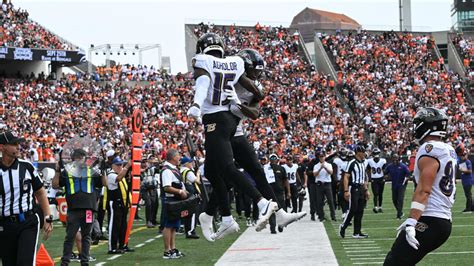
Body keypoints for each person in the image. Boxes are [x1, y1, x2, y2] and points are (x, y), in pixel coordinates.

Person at [188, 33, 276, 241]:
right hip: (229, 121)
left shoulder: (203, 61)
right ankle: (221, 217)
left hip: (215, 119)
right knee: (211, 169)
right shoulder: (234, 63)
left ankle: (262, 202)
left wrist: (196, 105)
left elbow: (202, 84)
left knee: (227, 167)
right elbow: (258, 92)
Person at [384, 107, 457, 265]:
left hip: (431, 218)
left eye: (417, 123)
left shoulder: (430, 149)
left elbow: (424, 189)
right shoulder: (448, 149)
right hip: (442, 219)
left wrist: (412, 221)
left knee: (393, 263)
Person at [0, 131, 53, 266]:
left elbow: (40, 192)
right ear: (2, 147)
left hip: (27, 222)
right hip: (4, 224)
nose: (18, 147)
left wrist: (48, 216)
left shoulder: (26, 166)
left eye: (18, 143)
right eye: (13, 144)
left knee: (25, 262)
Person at [52, 148, 106, 266]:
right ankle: (65, 262)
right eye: (78, 159)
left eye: (82, 159)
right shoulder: (67, 171)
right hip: (73, 209)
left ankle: (84, 261)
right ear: (73, 160)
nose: (81, 161)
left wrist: (103, 170)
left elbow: (105, 183)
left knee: (86, 236)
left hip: (88, 209)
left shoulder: (92, 171)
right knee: (70, 237)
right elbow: (55, 185)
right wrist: (57, 171)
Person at [160, 149, 187, 259]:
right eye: (177, 156)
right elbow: (166, 187)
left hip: (175, 200)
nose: (179, 157)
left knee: (174, 226)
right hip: (170, 200)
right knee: (168, 225)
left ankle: (172, 248)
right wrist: (180, 191)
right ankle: (167, 251)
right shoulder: (167, 170)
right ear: (172, 157)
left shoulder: (173, 169)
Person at [339, 145, 370, 239]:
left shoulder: (363, 163)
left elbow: (363, 178)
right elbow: (346, 177)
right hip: (354, 188)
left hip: (361, 188)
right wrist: (346, 190)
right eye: (363, 152)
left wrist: (366, 190)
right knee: (353, 209)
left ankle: (357, 232)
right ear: (358, 153)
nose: (364, 154)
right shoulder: (352, 163)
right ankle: (343, 226)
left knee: (360, 210)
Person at [106, 157, 134, 254]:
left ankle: (122, 245)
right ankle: (112, 247)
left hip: (123, 203)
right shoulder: (111, 175)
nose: (120, 167)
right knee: (114, 225)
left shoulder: (120, 173)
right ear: (113, 165)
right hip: (115, 203)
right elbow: (118, 179)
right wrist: (126, 167)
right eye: (118, 165)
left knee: (123, 226)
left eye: (121, 165)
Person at [264, 154, 291, 234]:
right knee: (271, 210)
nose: (273, 159)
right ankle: (272, 228)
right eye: (271, 158)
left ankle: (281, 225)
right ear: (269, 160)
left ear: (277, 159)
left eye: (274, 158)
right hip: (269, 192)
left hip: (279, 192)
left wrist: (288, 192)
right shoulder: (266, 168)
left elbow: (285, 180)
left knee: (280, 210)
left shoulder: (281, 168)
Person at [179, 156, 200, 239]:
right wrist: (197, 174)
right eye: (190, 162)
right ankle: (191, 231)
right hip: (189, 192)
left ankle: (186, 228)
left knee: (186, 212)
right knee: (192, 212)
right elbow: (197, 181)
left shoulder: (180, 170)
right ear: (186, 164)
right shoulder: (188, 172)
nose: (192, 163)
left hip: (184, 192)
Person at [385, 154, 411, 219]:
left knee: (400, 199)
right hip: (394, 184)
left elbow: (408, 174)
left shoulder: (403, 166)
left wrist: (407, 178)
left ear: (398, 159)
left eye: (396, 158)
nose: (395, 160)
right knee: (394, 199)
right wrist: (385, 176)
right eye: (393, 158)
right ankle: (400, 212)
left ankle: (399, 215)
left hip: (402, 184)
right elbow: (385, 172)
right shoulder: (390, 166)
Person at [313, 151, 336, 222]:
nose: (321, 158)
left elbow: (331, 172)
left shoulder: (328, 164)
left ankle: (333, 215)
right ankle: (321, 216)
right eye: (320, 157)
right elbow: (315, 174)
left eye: (322, 156)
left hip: (327, 184)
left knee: (330, 200)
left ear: (325, 157)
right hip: (319, 184)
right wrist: (320, 168)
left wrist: (325, 168)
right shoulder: (316, 165)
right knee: (320, 201)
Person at [367, 148, 387, 213]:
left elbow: (384, 170)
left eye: (377, 153)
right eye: (375, 153)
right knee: (375, 193)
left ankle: (380, 207)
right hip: (374, 179)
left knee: (380, 193)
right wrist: (370, 178)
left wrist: (384, 178)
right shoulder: (370, 161)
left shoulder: (383, 161)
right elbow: (368, 170)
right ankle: (375, 207)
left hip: (381, 178)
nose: (376, 155)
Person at [333, 149, 349, 219]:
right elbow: (335, 171)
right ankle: (343, 210)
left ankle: (347, 211)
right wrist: (336, 180)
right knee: (340, 195)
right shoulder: (337, 161)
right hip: (339, 180)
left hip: (348, 181)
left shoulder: (349, 162)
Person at [305, 155, 318, 221]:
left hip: (319, 183)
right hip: (312, 182)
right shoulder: (311, 163)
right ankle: (312, 213)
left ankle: (319, 213)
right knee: (312, 199)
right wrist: (314, 172)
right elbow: (307, 172)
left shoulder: (323, 163)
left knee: (319, 199)